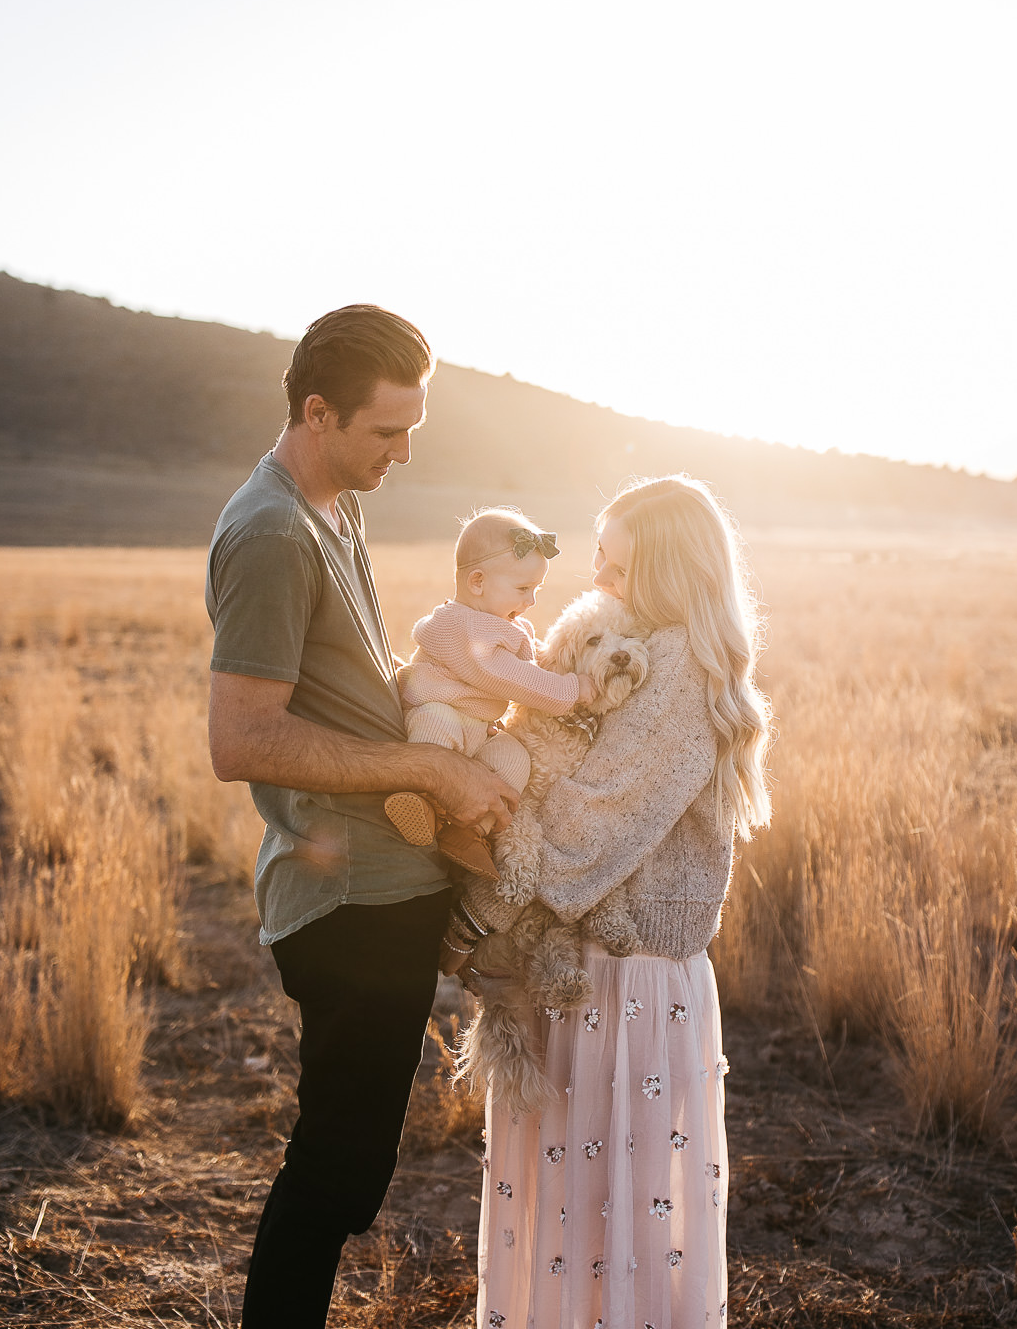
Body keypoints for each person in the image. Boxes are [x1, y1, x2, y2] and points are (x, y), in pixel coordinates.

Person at [205, 305, 521, 1329]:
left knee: (350, 1165)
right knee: (337, 1173)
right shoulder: (268, 534)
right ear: (316, 410)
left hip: (390, 881)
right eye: (386, 432)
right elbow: (242, 739)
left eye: (412, 429)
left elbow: (345, 690)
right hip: (344, 896)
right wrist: (430, 766)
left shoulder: (338, 504)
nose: (404, 452)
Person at [464, 475, 773, 1329]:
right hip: (608, 977)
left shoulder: (676, 669)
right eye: (596, 558)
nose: (596, 579)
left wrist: (483, 875)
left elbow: (591, 819)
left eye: (617, 566)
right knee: (600, 1221)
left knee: (604, 1222)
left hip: (619, 985)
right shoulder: (656, 651)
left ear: (670, 576)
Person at [385, 507, 597, 880]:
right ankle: (417, 801)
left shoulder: (498, 623)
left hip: (478, 731)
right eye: (522, 589)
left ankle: (470, 830)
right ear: (478, 582)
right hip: (439, 711)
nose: (530, 601)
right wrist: (571, 689)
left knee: (515, 759)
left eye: (535, 590)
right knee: (436, 730)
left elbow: (528, 663)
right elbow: (511, 676)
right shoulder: (457, 625)